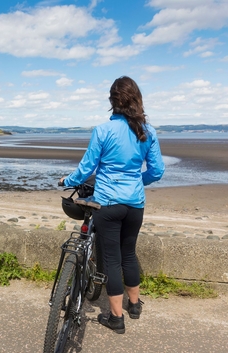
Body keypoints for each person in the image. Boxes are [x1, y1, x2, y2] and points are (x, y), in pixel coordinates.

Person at [60, 76, 165, 334]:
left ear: (112, 102)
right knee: (128, 253)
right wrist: (136, 181)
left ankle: (116, 318)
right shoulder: (147, 132)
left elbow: (86, 169)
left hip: (108, 203)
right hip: (135, 204)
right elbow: (157, 171)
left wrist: (67, 180)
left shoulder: (103, 131)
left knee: (112, 259)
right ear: (137, 99)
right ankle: (134, 305)